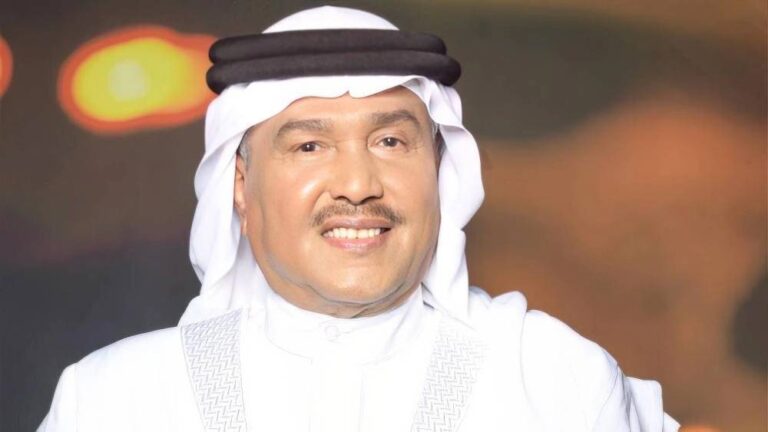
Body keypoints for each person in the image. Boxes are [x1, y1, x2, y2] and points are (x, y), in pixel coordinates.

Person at [38, 6, 679, 431]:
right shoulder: (115, 399)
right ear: (240, 185)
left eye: (391, 142)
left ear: (439, 170)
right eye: (309, 146)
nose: (357, 185)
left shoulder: (557, 382)